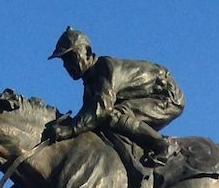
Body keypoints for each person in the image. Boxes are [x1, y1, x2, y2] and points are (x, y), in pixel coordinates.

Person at [43, 27, 183, 167]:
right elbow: (87, 117)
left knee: (113, 116)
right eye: (64, 60)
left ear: (88, 52)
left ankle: (163, 145)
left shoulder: (105, 68)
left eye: (71, 57)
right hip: (145, 97)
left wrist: (70, 129)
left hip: (167, 97)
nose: (67, 65)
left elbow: (102, 108)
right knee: (102, 124)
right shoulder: (89, 85)